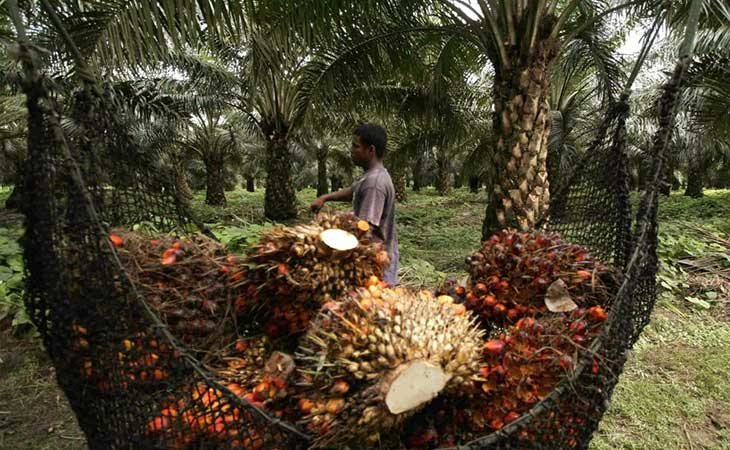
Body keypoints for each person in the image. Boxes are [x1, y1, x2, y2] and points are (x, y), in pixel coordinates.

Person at [310, 123, 399, 286]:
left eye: (356, 146)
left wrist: (327, 232)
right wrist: (325, 197)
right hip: (373, 257)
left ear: (371, 150)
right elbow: (354, 191)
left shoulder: (375, 183)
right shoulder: (371, 175)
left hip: (376, 263)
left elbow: (363, 228)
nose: (351, 150)